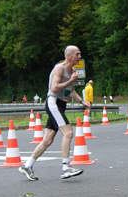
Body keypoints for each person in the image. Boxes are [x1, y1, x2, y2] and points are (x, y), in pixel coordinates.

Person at [19, 45, 90, 181]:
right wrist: (70, 81)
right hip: (53, 103)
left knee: (48, 140)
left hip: (61, 105)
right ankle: (65, 168)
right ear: (69, 56)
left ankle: (27, 166)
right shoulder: (60, 68)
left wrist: (82, 101)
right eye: (77, 54)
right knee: (68, 133)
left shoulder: (72, 71)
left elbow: (72, 90)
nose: (80, 57)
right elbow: (54, 87)